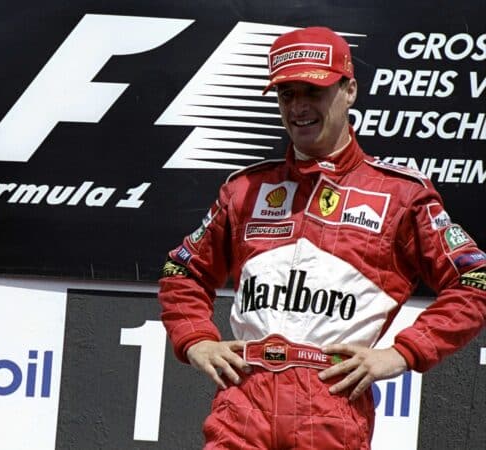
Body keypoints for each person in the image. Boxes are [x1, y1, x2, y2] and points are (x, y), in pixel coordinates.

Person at [158, 26, 486, 449]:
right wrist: (196, 340)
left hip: (331, 409)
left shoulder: (401, 194)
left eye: (312, 92)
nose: (299, 107)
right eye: (287, 94)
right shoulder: (245, 190)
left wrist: (401, 354)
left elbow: (473, 280)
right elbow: (181, 271)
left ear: (349, 90)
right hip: (242, 406)